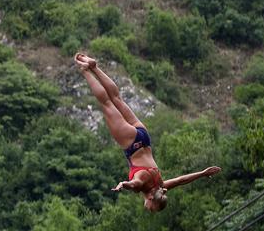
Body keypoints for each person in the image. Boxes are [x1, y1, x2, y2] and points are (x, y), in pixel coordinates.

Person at [75, 53, 221, 212]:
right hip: (131, 143)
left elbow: (181, 180)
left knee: (117, 99)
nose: (149, 210)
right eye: (152, 209)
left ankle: (94, 67)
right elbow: (135, 183)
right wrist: (124, 185)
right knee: (107, 103)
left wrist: (202, 173)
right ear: (151, 199)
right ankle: (86, 70)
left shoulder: (161, 186)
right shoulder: (142, 187)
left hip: (144, 137)